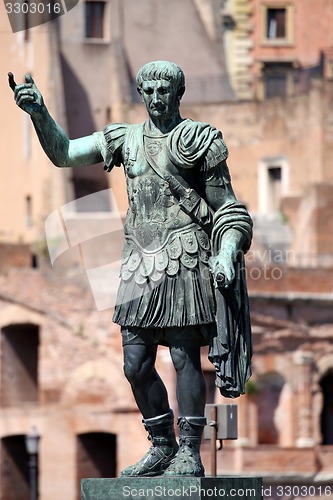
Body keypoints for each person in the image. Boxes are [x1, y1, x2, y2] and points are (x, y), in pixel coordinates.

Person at [9, 61, 253, 477]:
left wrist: (227, 252)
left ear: (178, 94)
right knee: (134, 364)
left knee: (183, 355)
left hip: (184, 255)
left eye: (165, 91)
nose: (157, 99)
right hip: (140, 262)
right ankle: (162, 445)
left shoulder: (198, 141)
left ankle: (190, 450)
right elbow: (65, 153)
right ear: (142, 94)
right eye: (150, 91)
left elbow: (228, 209)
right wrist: (39, 114)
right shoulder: (126, 139)